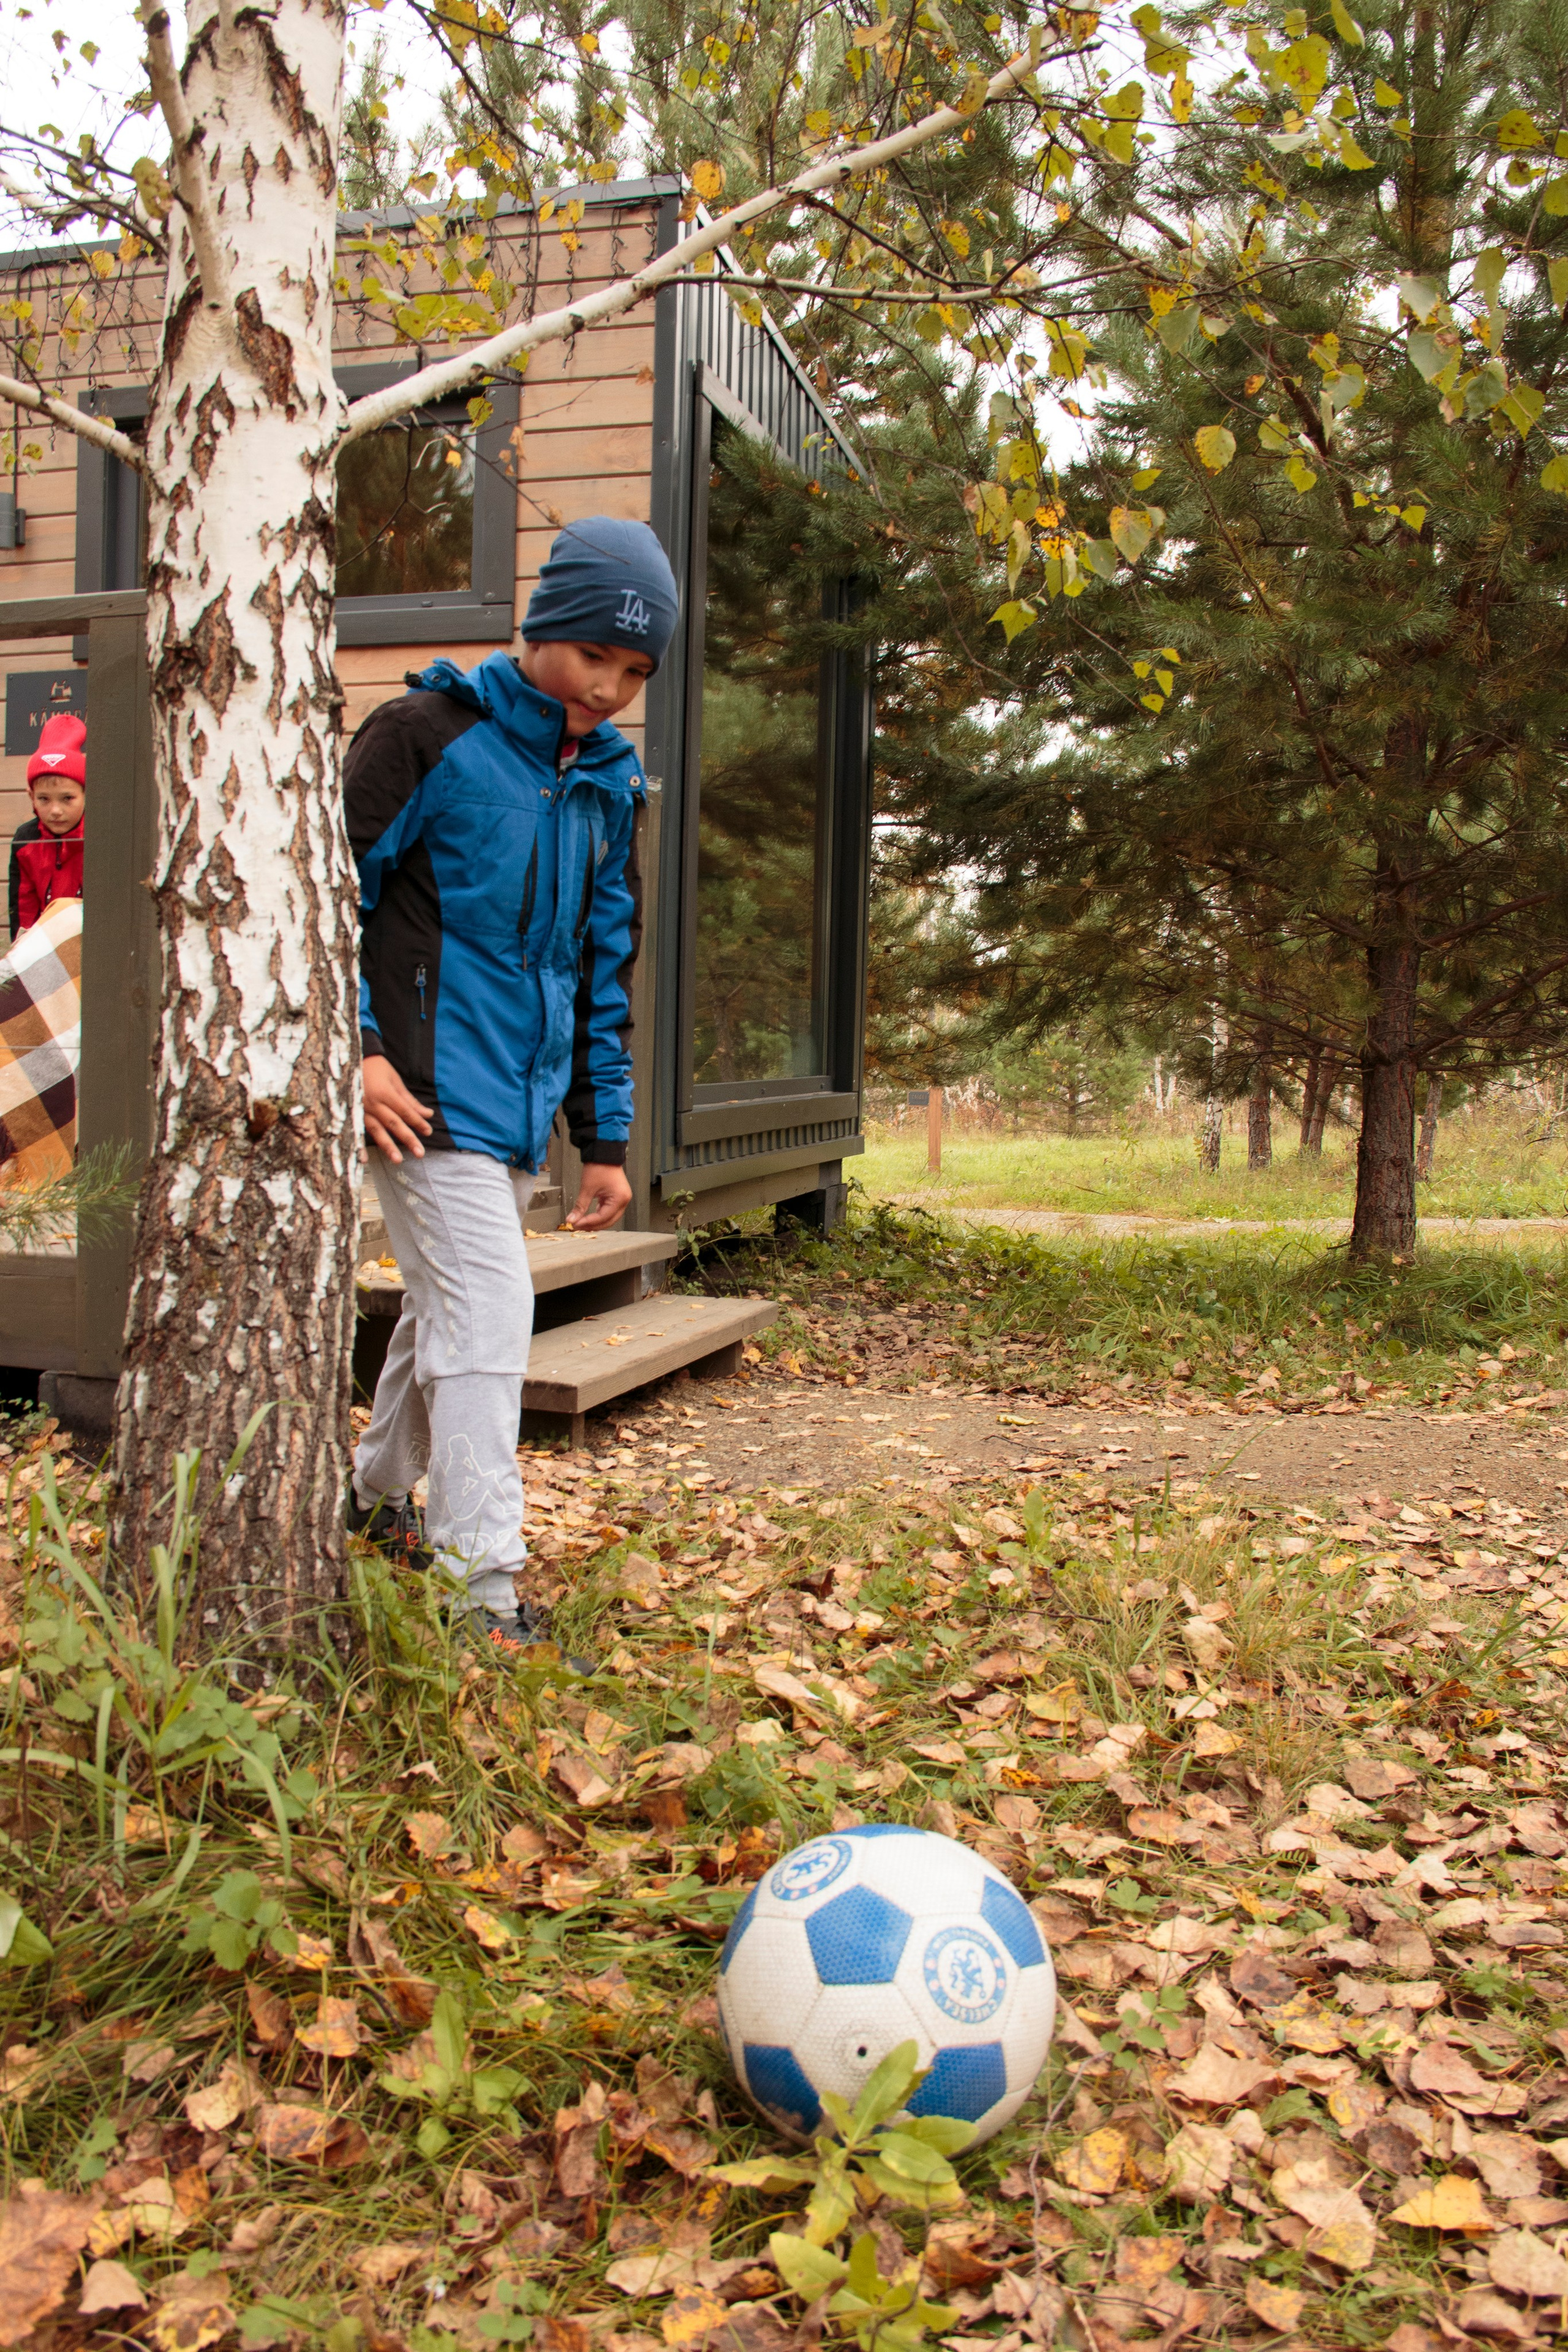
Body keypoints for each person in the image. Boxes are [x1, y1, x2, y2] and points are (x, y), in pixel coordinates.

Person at [345, 515, 679, 1658]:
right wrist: (358, 1049)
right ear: (545, 628)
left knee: (447, 1310)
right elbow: (319, 898)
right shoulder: (422, 736)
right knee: (488, 1312)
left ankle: (377, 1494)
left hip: (516, 1111)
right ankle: (477, 1591)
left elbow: (601, 970)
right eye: (597, 655)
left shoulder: (606, 789)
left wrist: (604, 1137)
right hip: (418, 1095)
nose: (612, 687)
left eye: (636, 672)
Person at [9, 712, 85, 938]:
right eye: (44, 799)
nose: (55, 810)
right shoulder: (26, 841)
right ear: (31, 796)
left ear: (86, 794)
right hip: (43, 951)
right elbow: (23, 911)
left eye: (67, 799)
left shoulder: (100, 837)